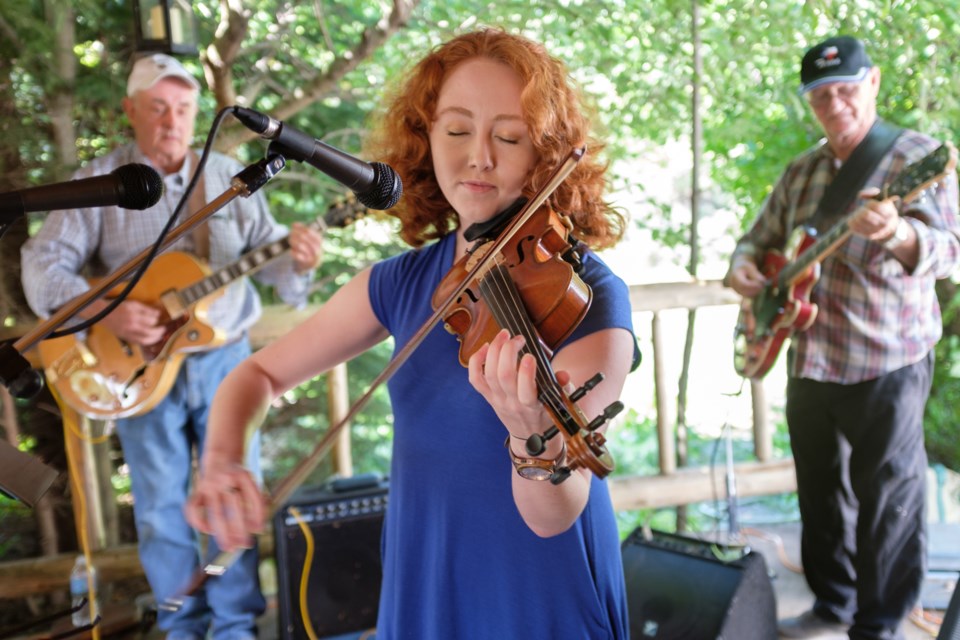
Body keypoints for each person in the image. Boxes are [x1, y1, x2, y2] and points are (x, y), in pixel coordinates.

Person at [184, 28, 638, 639]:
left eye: (508, 136)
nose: (479, 155)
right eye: (456, 130)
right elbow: (256, 374)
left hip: (534, 592)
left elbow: (557, 514)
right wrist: (221, 459)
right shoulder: (400, 284)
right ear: (424, 140)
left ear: (546, 156)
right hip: (426, 576)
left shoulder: (588, 296)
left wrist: (533, 441)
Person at [21, 53, 324, 640]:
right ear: (130, 111)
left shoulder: (233, 177)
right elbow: (39, 267)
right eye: (157, 108)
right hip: (139, 371)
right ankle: (182, 627)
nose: (171, 121)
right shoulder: (105, 182)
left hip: (228, 366)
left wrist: (300, 262)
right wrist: (102, 306)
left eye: (183, 109)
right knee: (161, 510)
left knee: (232, 497)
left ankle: (236, 626)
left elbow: (276, 268)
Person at [726, 35, 960, 640]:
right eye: (821, 95)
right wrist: (745, 266)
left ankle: (880, 623)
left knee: (888, 500)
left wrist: (896, 235)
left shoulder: (918, 158)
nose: (835, 104)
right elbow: (758, 238)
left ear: (873, 83)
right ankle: (833, 603)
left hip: (888, 358)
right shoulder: (801, 171)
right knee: (821, 491)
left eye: (846, 89)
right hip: (809, 356)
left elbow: (947, 250)